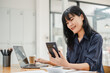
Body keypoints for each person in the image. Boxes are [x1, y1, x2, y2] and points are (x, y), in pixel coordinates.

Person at [36, 6, 104, 73]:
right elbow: (69, 65)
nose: (70, 25)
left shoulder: (96, 38)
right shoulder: (72, 40)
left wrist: (67, 65)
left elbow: (90, 66)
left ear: (82, 17)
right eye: (67, 23)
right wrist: (49, 62)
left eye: (71, 19)